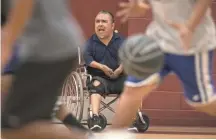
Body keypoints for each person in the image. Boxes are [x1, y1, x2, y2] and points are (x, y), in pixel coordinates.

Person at [111, 0, 216, 129]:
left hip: (191, 45)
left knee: (203, 103)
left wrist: (189, 27)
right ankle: (113, 134)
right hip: (158, 41)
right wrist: (139, 4)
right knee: (133, 90)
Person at [1, 0, 90, 138]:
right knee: (27, 124)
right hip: (56, 45)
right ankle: (87, 136)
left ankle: (90, 138)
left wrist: (7, 45)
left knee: (14, 127)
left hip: (46, 49)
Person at [83, 10, 126, 131]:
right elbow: (88, 59)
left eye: (104, 21)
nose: (100, 24)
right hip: (100, 78)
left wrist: (119, 69)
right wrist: (102, 67)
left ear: (112, 26)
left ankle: (130, 117)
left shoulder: (121, 41)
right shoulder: (90, 42)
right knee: (95, 84)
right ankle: (95, 118)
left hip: (119, 77)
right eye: (97, 21)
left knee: (133, 84)